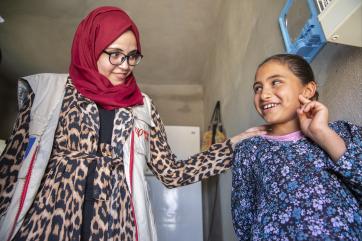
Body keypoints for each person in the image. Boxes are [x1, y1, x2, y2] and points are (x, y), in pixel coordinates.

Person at [0, 6, 266, 241]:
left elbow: (171, 172)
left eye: (132, 56)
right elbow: (9, 174)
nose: (125, 65)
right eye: (115, 54)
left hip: (116, 229)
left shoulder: (143, 107)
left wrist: (231, 147)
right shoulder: (48, 93)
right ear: (90, 47)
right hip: (46, 227)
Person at [231, 53, 362, 240]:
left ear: (307, 90)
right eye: (257, 88)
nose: (264, 94)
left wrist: (322, 134)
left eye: (275, 82)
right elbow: (243, 219)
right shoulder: (249, 149)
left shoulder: (342, 133)